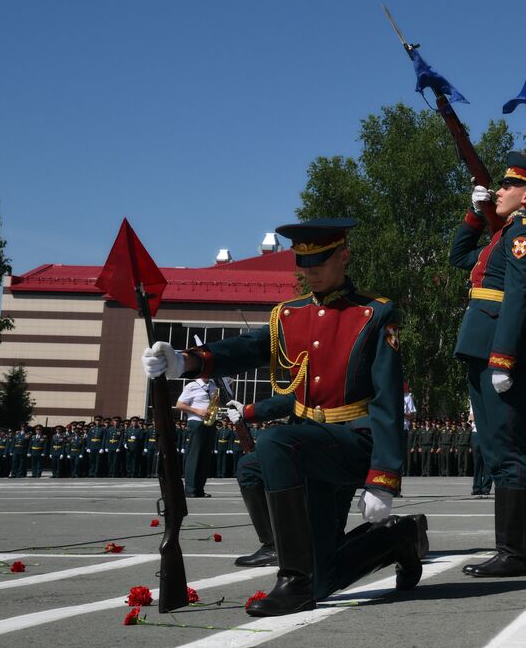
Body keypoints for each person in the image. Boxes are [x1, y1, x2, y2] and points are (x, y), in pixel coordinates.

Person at [141, 218, 426, 616]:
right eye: (303, 264)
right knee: (325, 578)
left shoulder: (374, 313)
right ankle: (398, 537)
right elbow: (246, 348)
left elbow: (387, 397)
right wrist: (185, 361)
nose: (310, 272)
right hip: (310, 444)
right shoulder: (289, 315)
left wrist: (383, 478)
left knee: (275, 442)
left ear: (343, 256)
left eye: (320, 262)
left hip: (353, 442)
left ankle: (293, 579)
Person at [450, 152, 526, 578]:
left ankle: (515, 552)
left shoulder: (524, 234)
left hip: (496, 346)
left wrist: (503, 357)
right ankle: (519, 548)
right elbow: (459, 257)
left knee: (508, 449)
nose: (499, 190)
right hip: (482, 343)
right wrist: (476, 216)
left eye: (508, 186)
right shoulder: (504, 234)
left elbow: (520, 297)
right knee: (497, 448)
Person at [175, 371, 219, 497]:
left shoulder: (213, 386)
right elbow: (179, 404)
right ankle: (190, 489)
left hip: (209, 423)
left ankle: (199, 489)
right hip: (196, 422)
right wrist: (197, 411)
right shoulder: (192, 386)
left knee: (205, 457)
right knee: (194, 456)